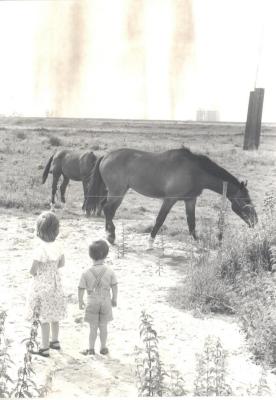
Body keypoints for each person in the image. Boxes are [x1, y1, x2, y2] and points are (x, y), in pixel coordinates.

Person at [26, 211, 66, 357]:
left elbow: (33, 269)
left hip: (42, 286)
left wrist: (33, 274)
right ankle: (55, 341)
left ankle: (44, 348)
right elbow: (62, 264)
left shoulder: (40, 248)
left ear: (39, 230)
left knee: (43, 317)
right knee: (54, 315)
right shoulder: (59, 246)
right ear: (56, 230)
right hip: (56, 285)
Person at [78, 240, 118, 355]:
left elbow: (80, 287)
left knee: (93, 328)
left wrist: (80, 301)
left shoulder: (86, 272)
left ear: (90, 255)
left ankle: (91, 349)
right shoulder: (110, 271)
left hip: (92, 301)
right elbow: (114, 286)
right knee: (104, 326)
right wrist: (114, 298)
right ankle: (103, 348)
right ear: (106, 255)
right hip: (106, 301)